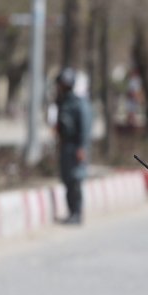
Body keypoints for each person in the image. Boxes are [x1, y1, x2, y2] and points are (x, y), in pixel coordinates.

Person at [55, 67, 92, 225]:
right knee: (67, 180)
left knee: (75, 180)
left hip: (76, 147)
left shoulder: (78, 103)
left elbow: (85, 127)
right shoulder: (62, 102)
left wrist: (82, 147)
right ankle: (71, 212)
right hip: (66, 146)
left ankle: (77, 213)